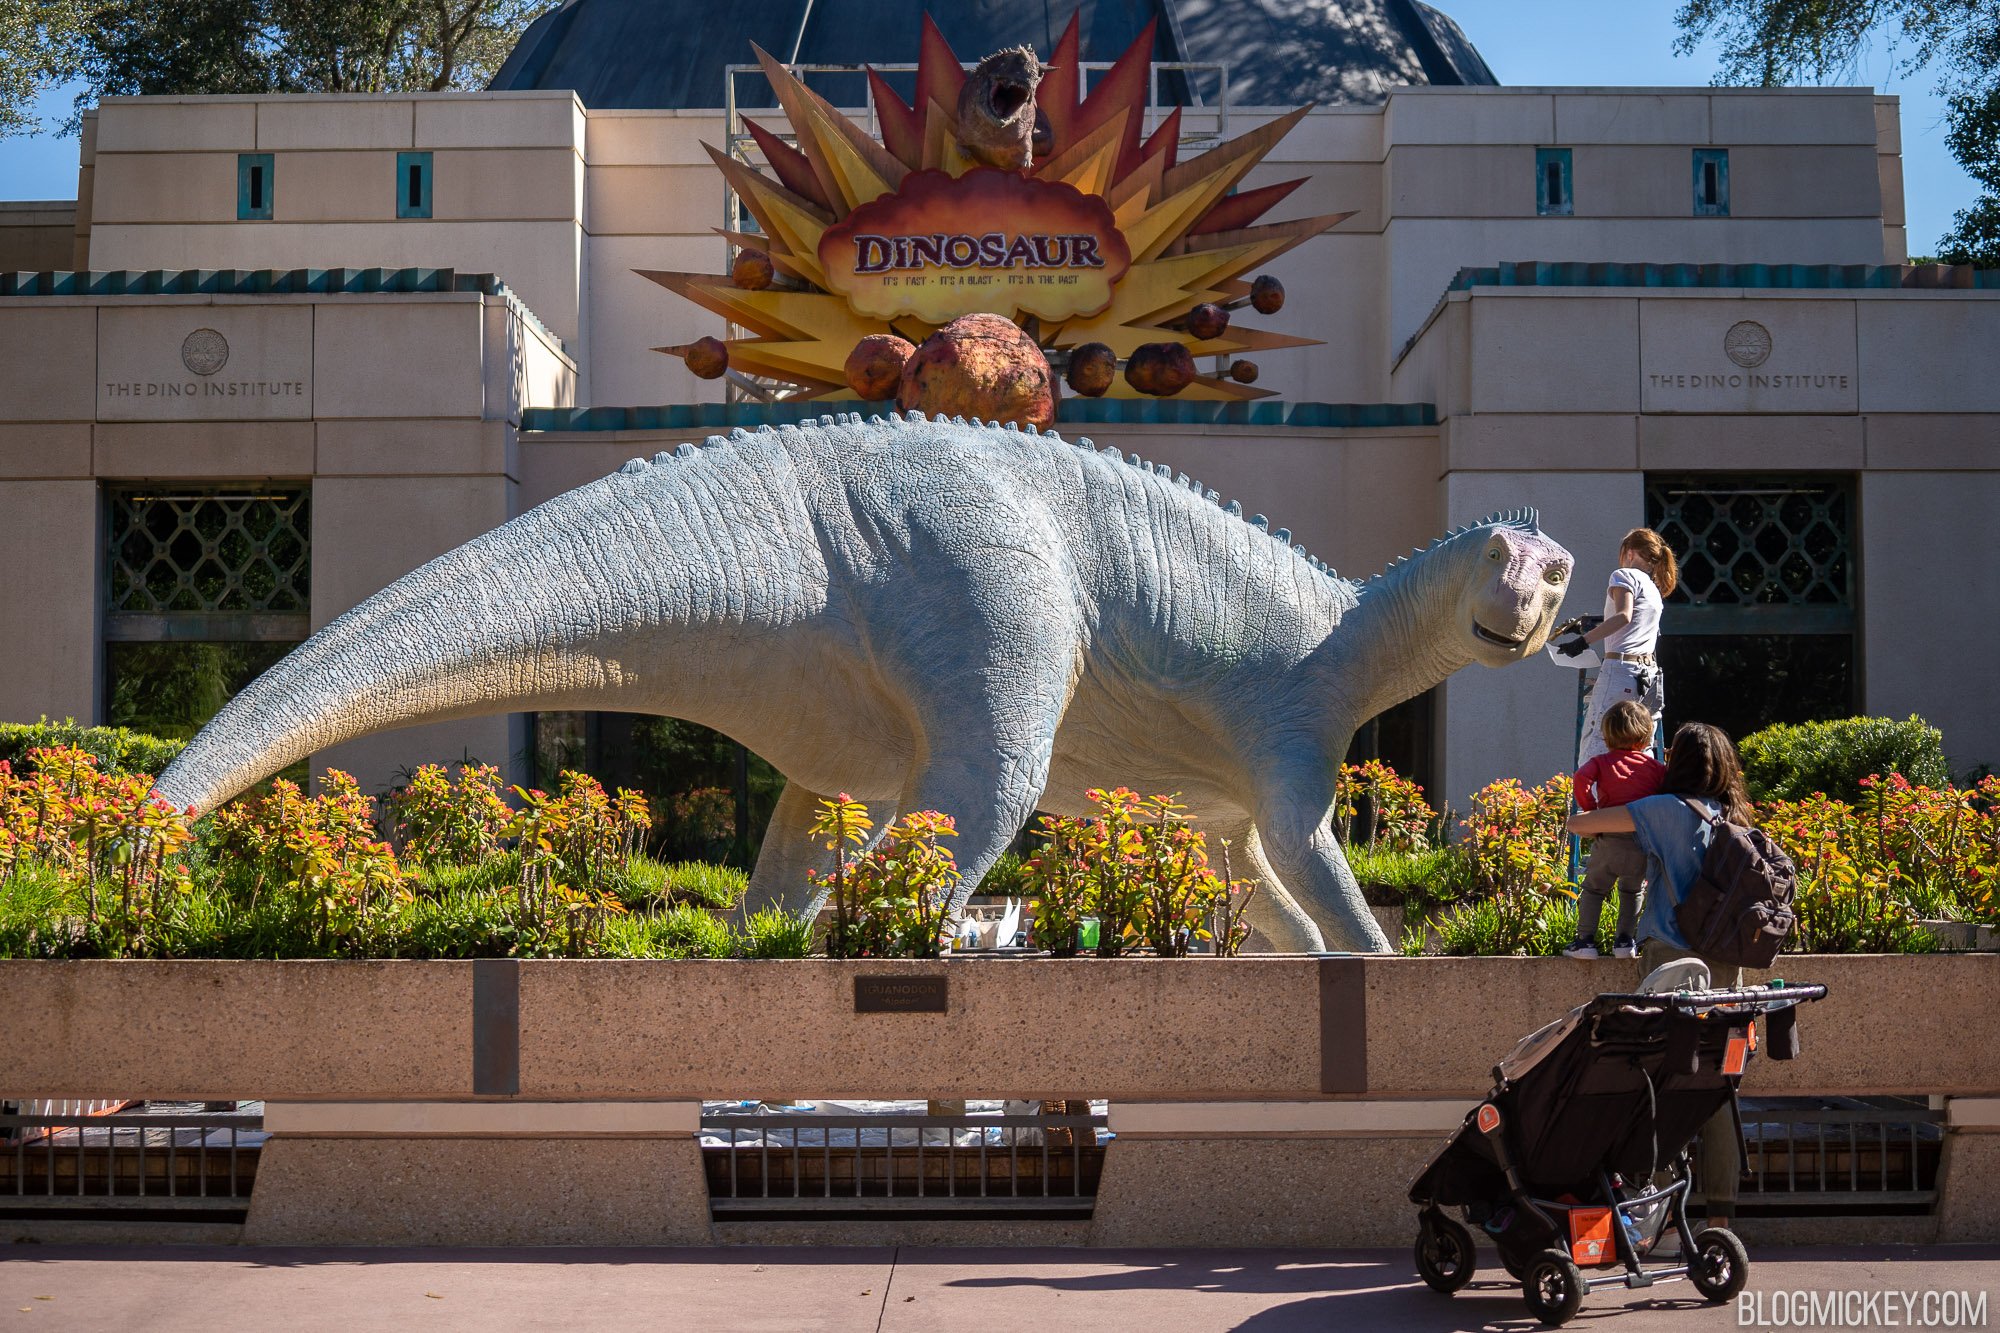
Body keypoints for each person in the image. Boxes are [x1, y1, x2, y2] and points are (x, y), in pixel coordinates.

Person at [1565, 721, 1754, 1230]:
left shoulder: (1663, 811)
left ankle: (1661, 1218)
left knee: (1661, 1080)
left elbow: (1580, 827)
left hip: (1669, 957)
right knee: (1717, 1083)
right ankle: (1719, 1222)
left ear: (1679, 763)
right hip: (1725, 963)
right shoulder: (1733, 816)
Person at [1556, 528, 1677, 767]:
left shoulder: (1623, 575)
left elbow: (1623, 616)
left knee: (1597, 741)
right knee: (1642, 745)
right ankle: (1639, 799)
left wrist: (1583, 641)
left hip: (1621, 671)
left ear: (1629, 553)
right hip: (1649, 675)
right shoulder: (1654, 589)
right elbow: (1634, 620)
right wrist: (1594, 622)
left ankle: (1592, 803)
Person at [1562, 700, 1665, 960]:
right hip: (1641, 842)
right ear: (1645, 737)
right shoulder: (1655, 768)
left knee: (1595, 889)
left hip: (1608, 840)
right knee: (1632, 891)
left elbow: (1581, 779)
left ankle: (1585, 941)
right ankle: (1625, 942)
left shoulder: (1601, 762)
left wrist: (1592, 810)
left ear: (1607, 736)